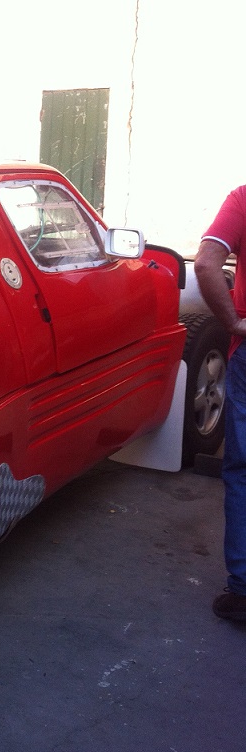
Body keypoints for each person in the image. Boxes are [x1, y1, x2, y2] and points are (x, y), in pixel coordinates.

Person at [195, 186, 246, 621]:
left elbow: (206, 264)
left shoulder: (243, 199)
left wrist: (233, 322)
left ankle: (244, 592)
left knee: (244, 469)